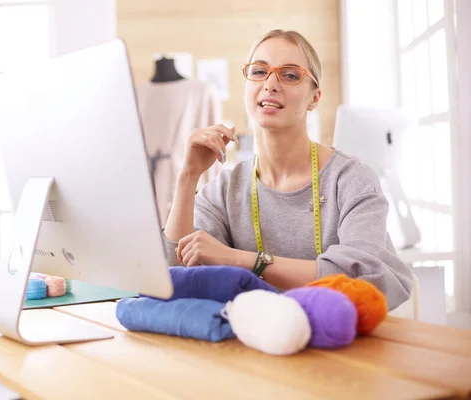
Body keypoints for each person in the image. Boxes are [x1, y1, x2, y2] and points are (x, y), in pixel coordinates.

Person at [161, 29, 413, 311]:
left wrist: (238, 259)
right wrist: (188, 176)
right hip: (256, 341)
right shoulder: (224, 190)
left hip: (347, 340)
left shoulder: (351, 180)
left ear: (314, 98)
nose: (270, 84)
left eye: (290, 75)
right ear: (246, 89)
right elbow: (176, 274)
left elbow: (359, 277)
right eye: (258, 71)